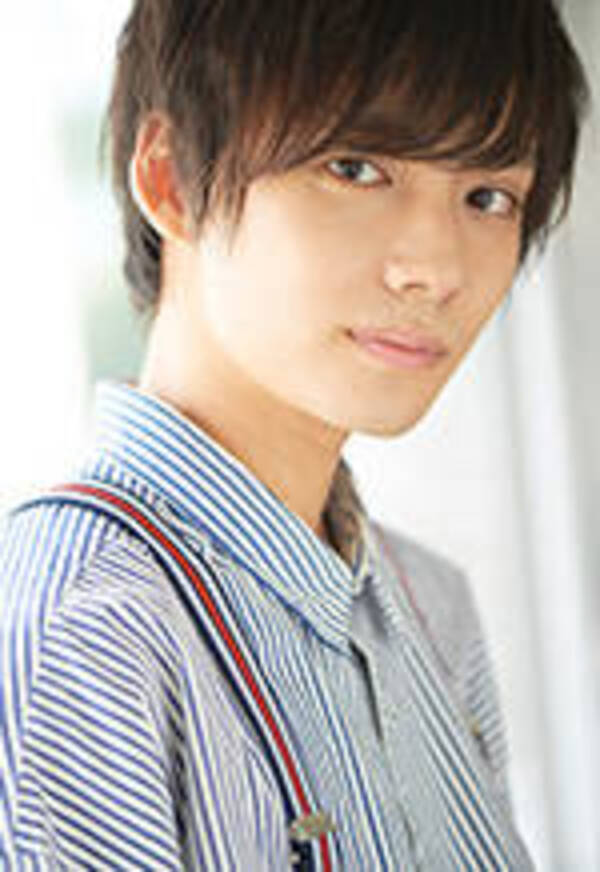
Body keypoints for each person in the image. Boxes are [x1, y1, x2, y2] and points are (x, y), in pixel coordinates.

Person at [0, 0, 589, 869]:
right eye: (355, 168)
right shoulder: (76, 630)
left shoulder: (430, 606)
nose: (435, 269)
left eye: (488, 197)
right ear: (171, 179)